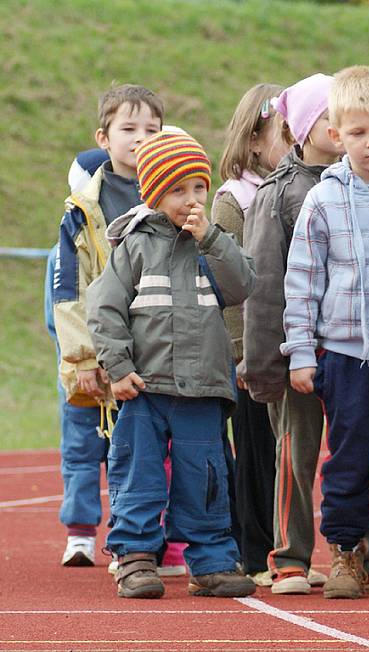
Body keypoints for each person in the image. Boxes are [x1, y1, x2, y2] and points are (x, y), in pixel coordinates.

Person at [242, 73, 369, 595]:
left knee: (356, 449)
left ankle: (362, 554)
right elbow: (268, 285)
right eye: (339, 123)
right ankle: (289, 555)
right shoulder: (283, 192)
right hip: (298, 352)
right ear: (315, 128)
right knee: (298, 452)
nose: (354, 134)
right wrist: (269, 363)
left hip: (356, 350)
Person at [85, 130, 257, 599]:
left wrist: (213, 241)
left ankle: (213, 560)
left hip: (202, 390)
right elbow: (104, 309)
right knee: (138, 472)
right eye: (178, 190)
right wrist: (117, 367)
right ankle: (136, 557)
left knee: (205, 477)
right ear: (153, 194)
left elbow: (242, 286)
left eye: (198, 187)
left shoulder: (212, 245)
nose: (191, 199)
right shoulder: (134, 245)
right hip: (146, 387)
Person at [281, 65, 369, 600]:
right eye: (358, 133)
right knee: (350, 461)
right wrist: (300, 352)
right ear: (336, 136)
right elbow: (303, 281)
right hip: (345, 358)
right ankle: (345, 552)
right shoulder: (323, 199)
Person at [52, 85, 163, 567]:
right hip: (97, 350)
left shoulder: (171, 193)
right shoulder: (82, 210)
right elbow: (69, 290)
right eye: (129, 129)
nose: (141, 139)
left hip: (155, 345)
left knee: (144, 450)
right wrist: (80, 356)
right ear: (104, 136)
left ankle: (138, 539)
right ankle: (81, 532)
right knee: (86, 442)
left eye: (152, 130)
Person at [211, 82, 292, 587]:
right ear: (255, 142)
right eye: (284, 134)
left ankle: (278, 544)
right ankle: (253, 548)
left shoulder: (298, 187)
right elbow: (231, 291)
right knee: (255, 451)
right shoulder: (233, 201)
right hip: (249, 354)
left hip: (290, 345)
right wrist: (242, 355)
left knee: (282, 452)